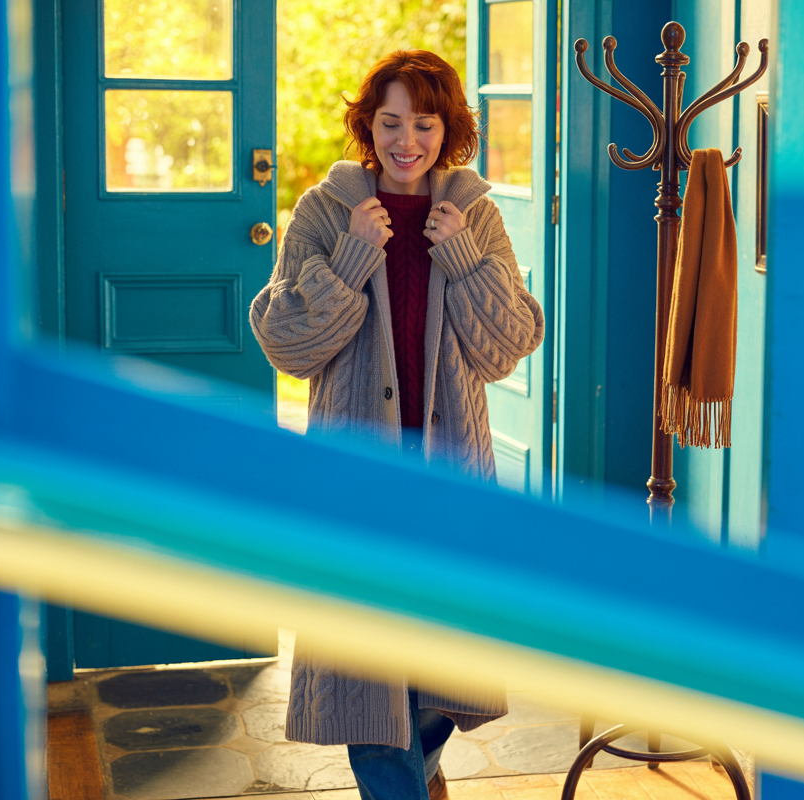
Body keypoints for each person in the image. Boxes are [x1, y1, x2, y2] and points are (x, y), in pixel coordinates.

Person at [249, 49, 544, 800]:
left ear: (448, 130)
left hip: (449, 470)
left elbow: (506, 346)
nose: (405, 140)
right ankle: (402, 786)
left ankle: (423, 769)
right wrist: (352, 255)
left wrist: (467, 257)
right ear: (366, 126)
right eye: (389, 122)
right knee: (365, 667)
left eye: (424, 121)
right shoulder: (323, 213)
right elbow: (287, 342)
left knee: (441, 657)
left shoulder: (474, 215)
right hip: (359, 474)